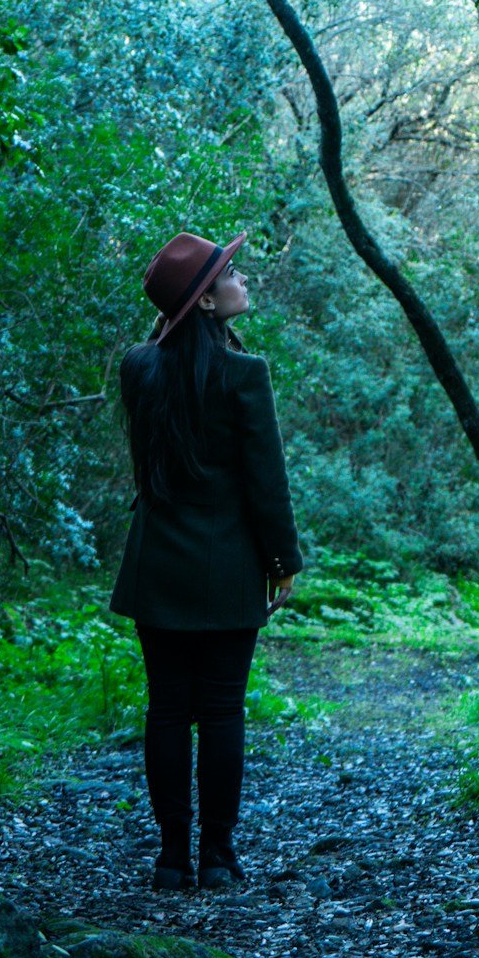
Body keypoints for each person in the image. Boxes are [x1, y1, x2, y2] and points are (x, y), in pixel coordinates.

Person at [111, 230, 302, 891]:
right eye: (230, 275)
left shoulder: (138, 368)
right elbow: (264, 482)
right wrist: (284, 560)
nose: (242, 280)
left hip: (156, 563)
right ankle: (217, 858)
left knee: (166, 708)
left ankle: (171, 860)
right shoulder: (243, 375)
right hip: (227, 567)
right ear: (209, 304)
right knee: (220, 710)